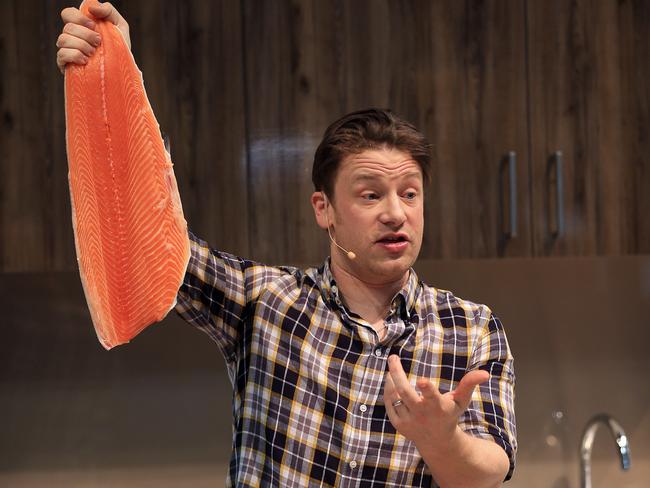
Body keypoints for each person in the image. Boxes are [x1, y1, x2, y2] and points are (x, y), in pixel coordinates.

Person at [56, 3, 516, 487]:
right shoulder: (266, 302)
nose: (395, 213)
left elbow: (488, 472)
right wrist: (115, 68)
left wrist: (443, 440)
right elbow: (154, 234)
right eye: (370, 194)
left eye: (409, 194)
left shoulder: (472, 327)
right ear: (324, 209)